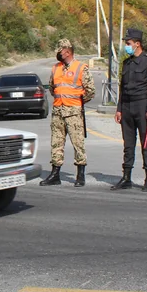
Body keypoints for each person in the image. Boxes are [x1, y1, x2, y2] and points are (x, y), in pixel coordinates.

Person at [39, 39, 95, 188]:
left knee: (78, 144)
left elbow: (90, 91)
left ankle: (80, 174)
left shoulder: (81, 68)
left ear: (68, 51)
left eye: (60, 50)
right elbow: (52, 88)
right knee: (56, 143)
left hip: (74, 112)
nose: (58, 53)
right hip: (58, 111)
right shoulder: (55, 68)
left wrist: (78, 102)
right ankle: (55, 173)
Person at [112, 28, 147, 191]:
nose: (126, 46)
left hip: (142, 106)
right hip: (127, 106)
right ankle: (126, 177)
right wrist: (119, 108)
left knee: (145, 143)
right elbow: (122, 87)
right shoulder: (127, 63)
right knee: (128, 143)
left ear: (137, 44)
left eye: (128, 43)